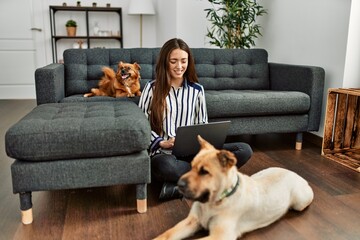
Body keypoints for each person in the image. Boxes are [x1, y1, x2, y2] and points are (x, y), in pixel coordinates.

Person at [138, 38, 253, 200]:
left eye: (183, 61)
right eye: (173, 61)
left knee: (244, 150)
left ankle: (178, 186)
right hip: (163, 153)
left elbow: (202, 124)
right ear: (165, 62)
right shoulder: (151, 88)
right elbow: (141, 126)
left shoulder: (197, 90)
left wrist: (206, 147)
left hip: (193, 153)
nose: (179, 66)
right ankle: (206, 179)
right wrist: (161, 142)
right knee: (167, 166)